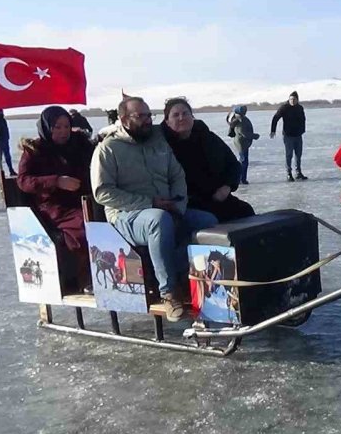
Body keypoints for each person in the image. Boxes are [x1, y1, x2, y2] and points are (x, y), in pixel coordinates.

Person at [90, 96, 219, 321]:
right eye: (141, 116)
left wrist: (178, 205)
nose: (148, 120)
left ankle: (188, 275)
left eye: (150, 115)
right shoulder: (108, 149)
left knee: (208, 222)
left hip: (166, 208)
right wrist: (149, 203)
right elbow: (103, 192)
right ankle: (169, 292)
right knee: (158, 220)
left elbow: (177, 175)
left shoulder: (158, 144)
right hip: (126, 217)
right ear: (123, 119)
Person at [18, 106, 96, 293]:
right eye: (57, 127)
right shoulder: (35, 150)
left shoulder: (80, 144)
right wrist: (56, 181)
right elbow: (23, 181)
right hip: (55, 207)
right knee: (83, 228)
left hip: (85, 199)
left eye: (66, 127)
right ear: (47, 127)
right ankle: (85, 279)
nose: (63, 132)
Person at [161, 98, 255, 222]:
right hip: (185, 203)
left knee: (245, 211)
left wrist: (227, 187)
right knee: (210, 219)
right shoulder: (161, 145)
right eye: (175, 115)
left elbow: (233, 164)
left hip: (216, 197)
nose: (181, 118)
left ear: (192, 116)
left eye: (185, 113)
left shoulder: (206, 137)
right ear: (167, 121)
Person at [270, 91, 307, 182]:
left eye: (294, 99)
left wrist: (302, 130)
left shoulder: (299, 108)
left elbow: (303, 119)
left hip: (298, 135)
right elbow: (275, 118)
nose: (292, 101)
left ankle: (298, 173)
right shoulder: (284, 108)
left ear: (297, 100)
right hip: (288, 136)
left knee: (298, 155)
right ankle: (289, 173)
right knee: (289, 155)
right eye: (291, 99)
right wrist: (273, 130)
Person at [227, 105, 259, 184]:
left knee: (243, 160)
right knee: (244, 161)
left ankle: (241, 178)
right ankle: (241, 179)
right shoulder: (240, 120)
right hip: (241, 143)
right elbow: (243, 133)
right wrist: (255, 136)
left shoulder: (236, 118)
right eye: (244, 111)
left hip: (241, 142)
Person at [0, 110, 18, 176]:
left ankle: (11, 170)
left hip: (5, 140)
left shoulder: (2, 119)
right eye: (1, 112)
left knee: (7, 156)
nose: (2, 113)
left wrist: (7, 137)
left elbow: (5, 129)